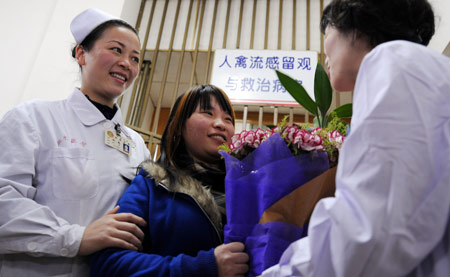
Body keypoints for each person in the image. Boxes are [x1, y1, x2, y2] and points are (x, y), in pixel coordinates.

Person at [263, 0, 450, 276]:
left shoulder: (393, 60)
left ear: (354, 22)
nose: (323, 53)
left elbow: (370, 231)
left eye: (325, 32)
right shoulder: (423, 70)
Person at [0, 8, 150, 276]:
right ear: (82, 54)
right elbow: (4, 202)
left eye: (135, 58)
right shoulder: (33, 119)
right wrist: (76, 237)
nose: (127, 63)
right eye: (116, 50)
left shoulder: (138, 146)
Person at [90, 84, 250, 276]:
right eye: (208, 113)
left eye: (228, 119)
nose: (221, 124)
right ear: (179, 126)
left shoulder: (249, 185)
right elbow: (110, 263)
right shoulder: (151, 184)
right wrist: (202, 267)